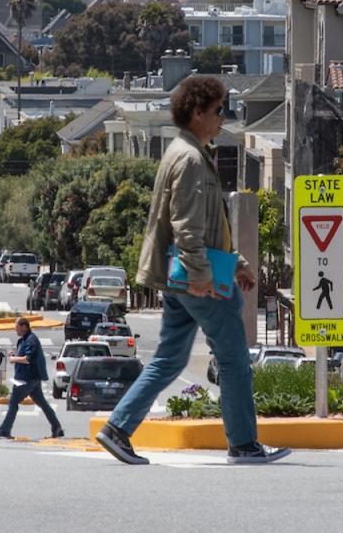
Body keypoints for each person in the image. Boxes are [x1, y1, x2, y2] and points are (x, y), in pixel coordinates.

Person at [96, 75, 290, 465]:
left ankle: (117, 428)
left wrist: (234, 263)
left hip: (182, 279)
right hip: (197, 282)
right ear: (197, 112)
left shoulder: (185, 152)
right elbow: (187, 227)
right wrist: (203, 279)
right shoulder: (189, 160)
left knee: (169, 359)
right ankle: (244, 444)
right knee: (234, 361)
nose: (224, 117)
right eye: (218, 110)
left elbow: (202, 225)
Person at [0, 316, 64, 439]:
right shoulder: (22, 340)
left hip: (28, 379)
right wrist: (14, 355)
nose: (15, 331)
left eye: (17, 328)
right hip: (29, 378)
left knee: (13, 401)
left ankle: (4, 430)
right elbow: (22, 356)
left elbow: (27, 359)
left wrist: (12, 359)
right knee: (43, 404)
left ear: (24, 327)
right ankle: (57, 428)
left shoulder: (31, 340)